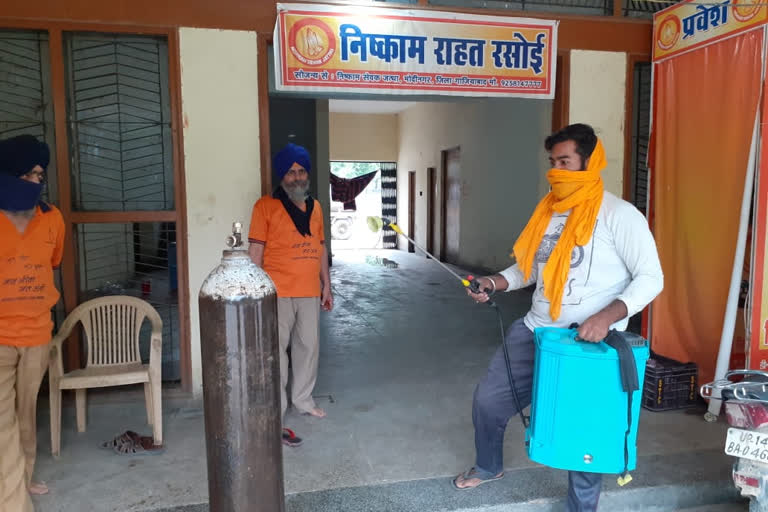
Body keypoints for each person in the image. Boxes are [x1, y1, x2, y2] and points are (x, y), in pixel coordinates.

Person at [453, 123, 664, 511]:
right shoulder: (549, 212)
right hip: (536, 332)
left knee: (583, 432)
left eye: (565, 161)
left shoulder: (620, 215)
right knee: (488, 401)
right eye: (552, 162)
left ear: (589, 162)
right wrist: (492, 282)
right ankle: (488, 466)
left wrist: (607, 316)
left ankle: (580, 508)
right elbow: (528, 269)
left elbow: (651, 278)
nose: (556, 171)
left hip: (588, 346)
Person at [248, 143, 333, 447]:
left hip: (309, 291)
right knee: (276, 354)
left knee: (308, 348)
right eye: (290, 171)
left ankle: (303, 401)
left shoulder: (317, 207)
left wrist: (327, 283)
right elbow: (255, 251)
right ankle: (275, 409)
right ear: (282, 176)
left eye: (301, 171)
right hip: (276, 292)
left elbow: (320, 247)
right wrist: (256, 291)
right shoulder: (265, 207)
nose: (296, 177)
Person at [0, 135, 66, 511]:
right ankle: (14, 502)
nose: (35, 182)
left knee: (25, 413)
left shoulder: (51, 217)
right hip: (0, 336)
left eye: (40, 175)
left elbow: (53, 261)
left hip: (38, 332)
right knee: (2, 422)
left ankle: (22, 477)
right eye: (27, 174)